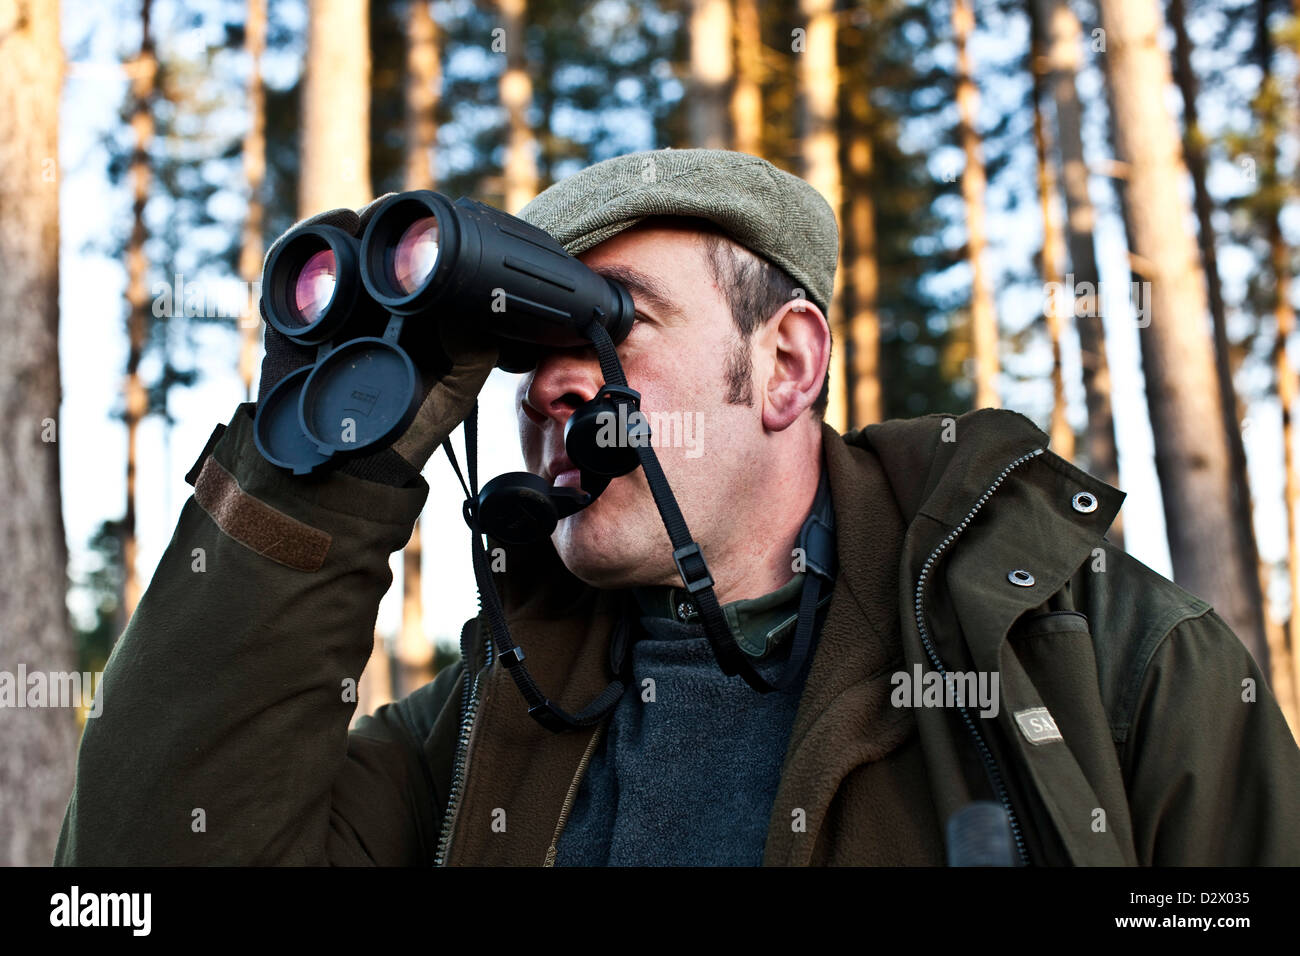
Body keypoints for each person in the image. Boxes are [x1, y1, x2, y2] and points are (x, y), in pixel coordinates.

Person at [55, 148, 1300, 866]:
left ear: (786, 365)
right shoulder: (484, 722)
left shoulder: (1091, 662)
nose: (551, 381)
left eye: (612, 323)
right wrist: (318, 476)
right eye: (527, 345)